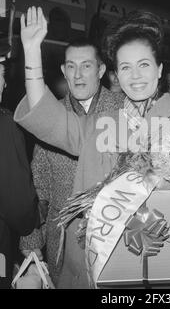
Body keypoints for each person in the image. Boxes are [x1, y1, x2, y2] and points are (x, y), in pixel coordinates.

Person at [14, 7, 170, 288]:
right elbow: (46, 116)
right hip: (91, 263)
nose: (135, 76)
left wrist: (139, 220)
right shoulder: (100, 124)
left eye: (143, 65)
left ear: (159, 70)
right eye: (125, 67)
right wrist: (32, 50)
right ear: (116, 76)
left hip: (153, 263)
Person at [19, 38, 125, 286]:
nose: (78, 74)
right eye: (71, 66)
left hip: (116, 241)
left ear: (100, 71)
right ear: (63, 71)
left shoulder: (125, 111)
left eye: (86, 66)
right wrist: (32, 242)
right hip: (63, 245)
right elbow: (39, 185)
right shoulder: (49, 118)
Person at [0, 43, 39, 289]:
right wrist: (33, 218)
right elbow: (18, 205)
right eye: (1, 76)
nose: (4, 84)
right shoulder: (4, 126)